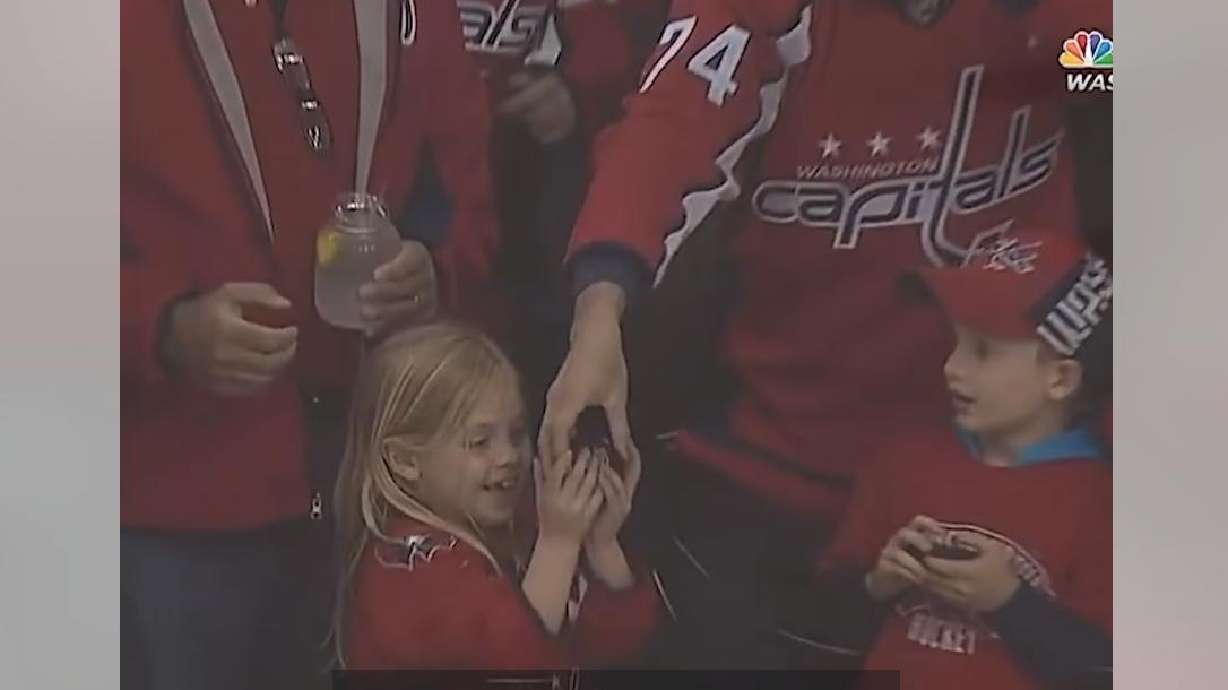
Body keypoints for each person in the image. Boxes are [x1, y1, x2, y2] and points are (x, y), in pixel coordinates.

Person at [538, 0, 1112, 667]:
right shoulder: (772, 16)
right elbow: (669, 128)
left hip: (1016, 467)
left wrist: (1057, 27)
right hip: (779, 466)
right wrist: (599, 316)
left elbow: (1115, 71)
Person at [121, 1, 498, 688]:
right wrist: (162, 327)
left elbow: (460, 178)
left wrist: (432, 268)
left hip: (369, 490)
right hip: (169, 503)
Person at [793, 227, 1112, 690]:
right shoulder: (902, 462)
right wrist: (878, 584)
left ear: (1061, 378)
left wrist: (1010, 602)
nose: (952, 366)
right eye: (955, 340)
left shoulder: (1103, 503)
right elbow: (817, 633)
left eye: (984, 351)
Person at [335, 324, 661, 669]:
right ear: (405, 461)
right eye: (480, 442)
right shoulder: (403, 566)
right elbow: (509, 664)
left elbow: (613, 649)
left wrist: (600, 545)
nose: (508, 456)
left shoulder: (522, 524)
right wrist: (559, 545)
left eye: (517, 433)